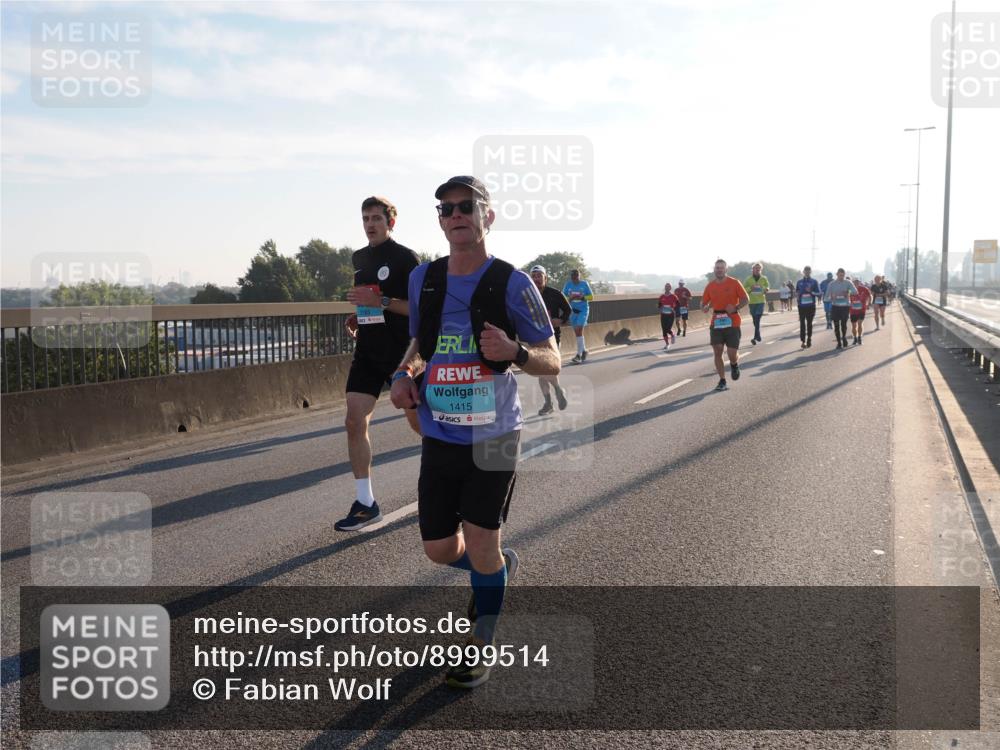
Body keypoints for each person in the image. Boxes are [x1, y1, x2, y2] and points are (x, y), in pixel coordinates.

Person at [390, 176, 561, 689]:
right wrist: (402, 375)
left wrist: (517, 353)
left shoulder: (513, 283)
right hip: (439, 433)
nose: (455, 215)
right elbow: (421, 344)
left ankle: (480, 642)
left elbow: (552, 360)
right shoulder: (425, 278)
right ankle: (495, 572)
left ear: (488, 216)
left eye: (466, 207)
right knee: (440, 550)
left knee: (483, 542)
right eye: (445, 209)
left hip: (495, 438)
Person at [335, 196, 421, 531]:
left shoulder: (405, 258)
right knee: (354, 423)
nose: (370, 224)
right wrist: (361, 315)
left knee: (421, 427)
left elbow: (419, 310)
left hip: (401, 353)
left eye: (376, 218)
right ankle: (366, 503)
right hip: (368, 350)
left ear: (391, 222)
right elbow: (370, 301)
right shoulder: (359, 258)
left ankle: (451, 477)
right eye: (365, 218)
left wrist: (381, 302)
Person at [700, 259, 749, 391]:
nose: (719, 270)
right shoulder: (710, 286)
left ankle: (734, 364)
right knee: (718, 350)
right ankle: (722, 380)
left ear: (726, 270)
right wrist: (704, 307)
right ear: (714, 270)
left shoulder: (734, 283)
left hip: (732, 321)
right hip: (716, 321)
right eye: (717, 268)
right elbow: (703, 302)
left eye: (721, 268)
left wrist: (736, 307)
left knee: (732, 353)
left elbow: (746, 299)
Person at [529, 265, 571, 414]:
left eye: (539, 276)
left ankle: (553, 398)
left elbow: (568, 309)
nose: (536, 279)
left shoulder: (555, 294)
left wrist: (559, 320)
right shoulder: (527, 295)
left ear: (545, 278)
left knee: (547, 367)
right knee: (542, 370)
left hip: (552, 337)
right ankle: (551, 400)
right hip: (534, 336)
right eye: (533, 276)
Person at [562, 269, 594, 363]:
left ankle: (579, 355)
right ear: (571, 277)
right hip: (572, 310)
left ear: (579, 276)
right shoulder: (568, 285)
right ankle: (584, 351)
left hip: (583, 310)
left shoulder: (584, 284)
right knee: (577, 332)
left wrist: (583, 297)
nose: (575, 279)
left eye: (576, 276)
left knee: (579, 329)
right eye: (573, 277)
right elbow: (563, 297)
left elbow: (591, 297)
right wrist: (570, 298)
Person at [823, 269, 858, 349]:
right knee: (836, 325)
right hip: (835, 306)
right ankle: (839, 342)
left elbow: (855, 292)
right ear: (837, 274)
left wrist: (848, 292)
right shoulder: (831, 284)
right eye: (840, 275)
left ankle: (844, 338)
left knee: (843, 324)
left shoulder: (848, 282)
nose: (841, 277)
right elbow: (826, 298)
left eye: (843, 275)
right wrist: (831, 297)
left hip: (845, 306)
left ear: (844, 275)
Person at [742, 263, 769, 344]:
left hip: (761, 301)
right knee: (755, 320)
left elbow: (767, 287)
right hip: (752, 302)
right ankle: (758, 334)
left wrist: (764, 289)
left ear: (761, 270)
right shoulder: (748, 279)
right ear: (752, 269)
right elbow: (744, 289)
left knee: (757, 317)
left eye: (759, 268)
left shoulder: (764, 278)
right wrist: (751, 288)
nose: (757, 270)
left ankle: (755, 337)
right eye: (756, 268)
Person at [795, 265, 821, 348]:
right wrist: (798, 296)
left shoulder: (814, 282)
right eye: (805, 271)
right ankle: (803, 341)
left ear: (810, 272)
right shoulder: (799, 282)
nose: (807, 272)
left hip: (811, 306)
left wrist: (811, 292)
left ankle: (809, 338)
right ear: (803, 272)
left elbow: (819, 293)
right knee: (802, 323)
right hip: (801, 306)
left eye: (808, 271)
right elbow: (797, 292)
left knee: (809, 323)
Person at [849, 277, 872, 345]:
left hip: (862, 310)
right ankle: (855, 338)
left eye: (857, 282)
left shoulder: (864, 289)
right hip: (853, 310)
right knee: (853, 325)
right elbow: (846, 297)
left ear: (859, 282)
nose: (856, 283)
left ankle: (859, 337)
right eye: (855, 282)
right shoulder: (850, 290)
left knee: (859, 324)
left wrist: (869, 303)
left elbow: (870, 296)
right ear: (853, 283)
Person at [657, 282, 679, 351]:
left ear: (670, 288)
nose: (667, 288)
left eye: (668, 286)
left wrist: (674, 309)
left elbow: (678, 304)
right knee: (664, 330)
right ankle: (667, 344)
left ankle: (672, 335)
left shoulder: (673, 296)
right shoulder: (662, 296)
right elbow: (659, 305)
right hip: (663, 315)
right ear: (665, 288)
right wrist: (660, 309)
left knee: (667, 328)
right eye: (666, 286)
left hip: (670, 315)